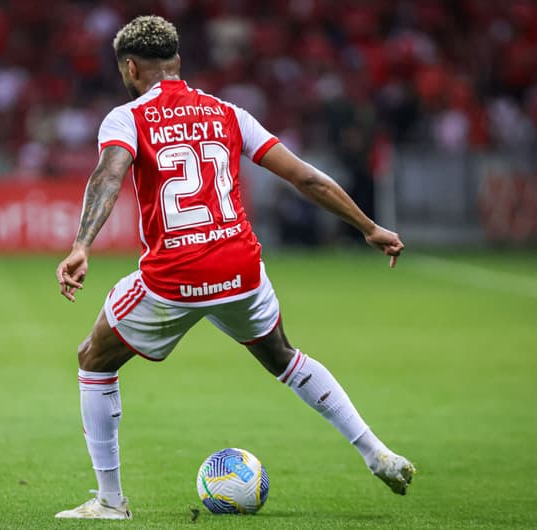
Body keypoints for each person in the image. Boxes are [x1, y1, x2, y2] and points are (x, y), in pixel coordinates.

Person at [54, 15, 415, 520]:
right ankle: (377, 452)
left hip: (175, 278)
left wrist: (81, 244)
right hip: (243, 271)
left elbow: (110, 173)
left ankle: (111, 502)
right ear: (177, 62)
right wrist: (368, 226)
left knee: (93, 358)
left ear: (131, 67)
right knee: (285, 359)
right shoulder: (229, 113)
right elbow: (306, 178)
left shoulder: (125, 118)